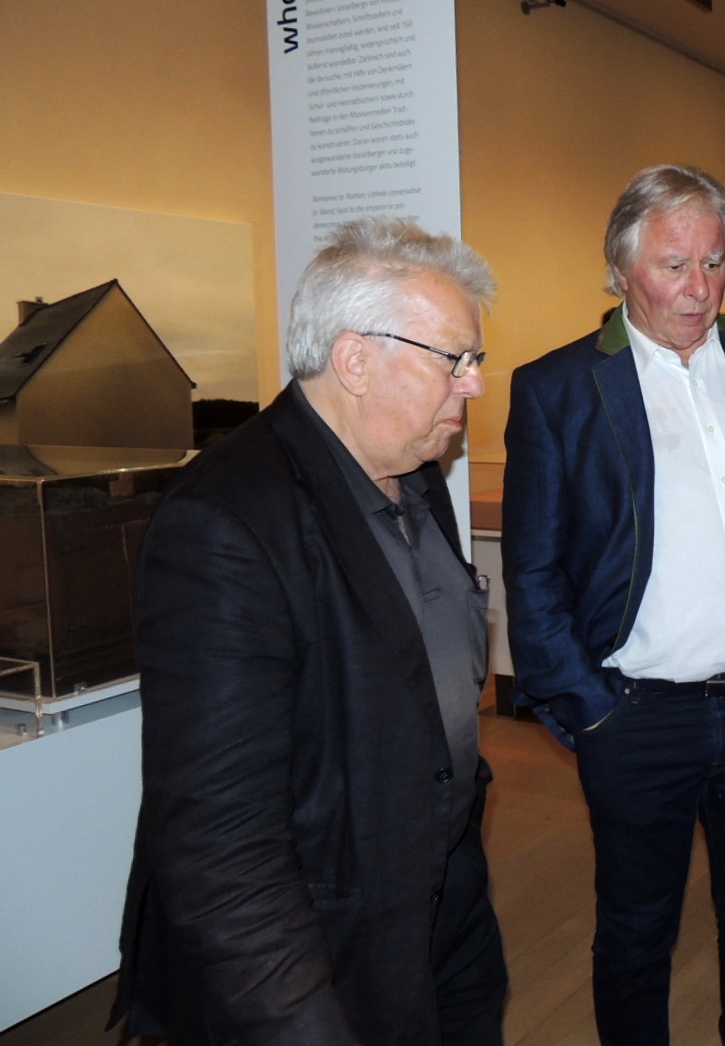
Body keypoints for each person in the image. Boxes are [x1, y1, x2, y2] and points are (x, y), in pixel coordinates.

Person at [111, 217, 506, 1045]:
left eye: (474, 359)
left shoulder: (414, 475)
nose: (472, 385)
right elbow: (222, 847)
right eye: (454, 360)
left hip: (442, 906)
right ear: (355, 360)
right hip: (323, 956)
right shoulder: (226, 522)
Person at [501, 164, 725, 1045]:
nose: (700, 289)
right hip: (636, 718)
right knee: (636, 935)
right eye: (674, 266)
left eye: (715, 263)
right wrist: (589, 708)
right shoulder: (559, 389)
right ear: (621, 269)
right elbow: (533, 572)